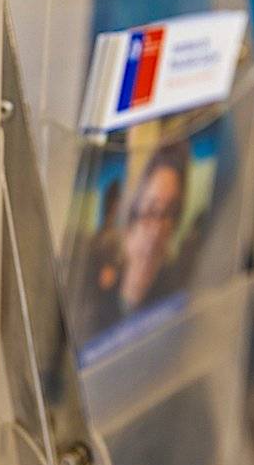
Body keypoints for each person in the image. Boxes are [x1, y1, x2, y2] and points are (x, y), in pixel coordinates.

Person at [77, 143, 189, 341]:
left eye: (169, 212)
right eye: (152, 210)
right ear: (136, 204)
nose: (157, 229)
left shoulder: (172, 282)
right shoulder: (94, 257)